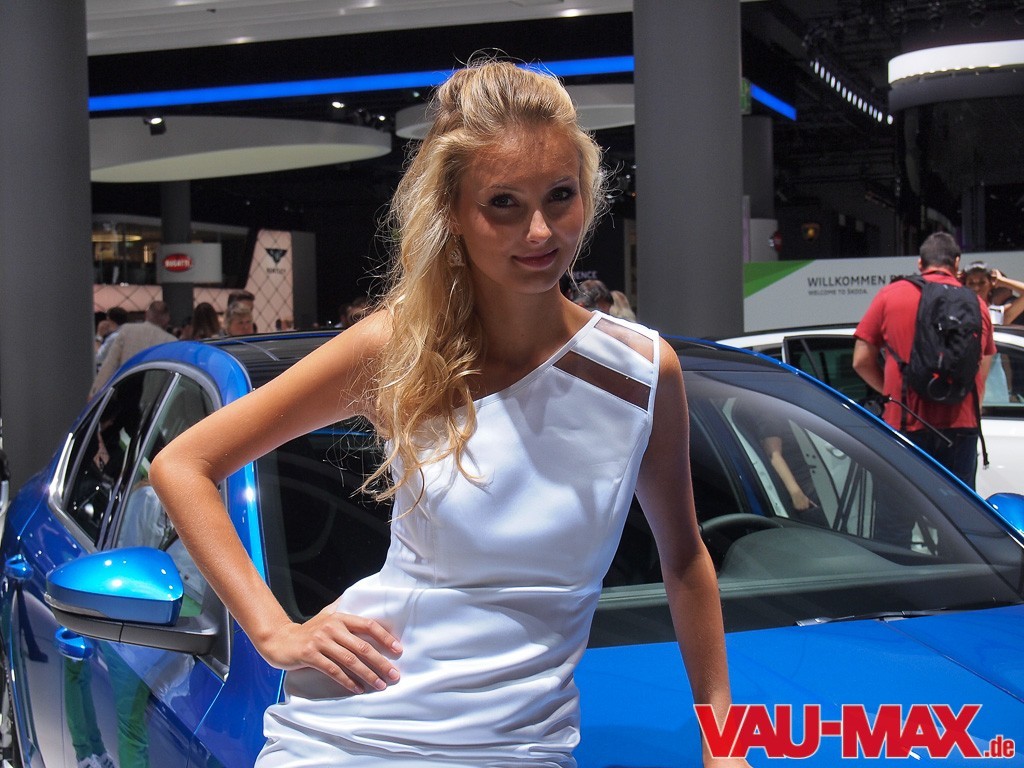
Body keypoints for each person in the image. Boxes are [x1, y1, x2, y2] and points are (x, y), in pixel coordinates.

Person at [150, 60, 747, 768]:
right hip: (357, 736)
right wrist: (274, 631)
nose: (539, 230)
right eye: (503, 203)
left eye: (560, 196)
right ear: (455, 214)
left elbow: (686, 560)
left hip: (521, 746)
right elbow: (182, 464)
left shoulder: (640, 374)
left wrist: (724, 744)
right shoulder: (399, 351)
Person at [852, 232, 995, 489]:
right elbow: (982, 368)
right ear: (957, 263)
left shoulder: (890, 295)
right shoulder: (976, 304)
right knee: (957, 510)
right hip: (961, 425)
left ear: (920, 263)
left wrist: (892, 394)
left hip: (905, 421)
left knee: (899, 510)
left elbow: (861, 361)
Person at [91, 301, 176, 396]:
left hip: (126, 390)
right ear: (167, 319)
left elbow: (110, 364)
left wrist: (95, 392)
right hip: (155, 396)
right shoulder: (172, 341)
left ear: (147, 314)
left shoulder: (127, 330)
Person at [962, 261, 1024, 326]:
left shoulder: (997, 314)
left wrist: (1002, 281)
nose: (976, 288)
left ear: (990, 285)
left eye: (982, 283)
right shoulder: (957, 311)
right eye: (971, 283)